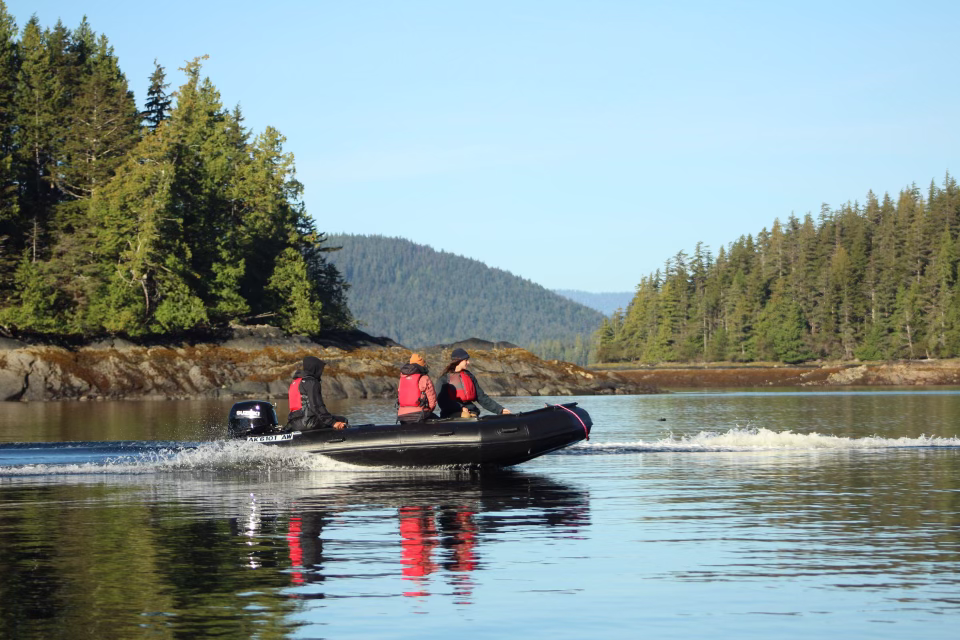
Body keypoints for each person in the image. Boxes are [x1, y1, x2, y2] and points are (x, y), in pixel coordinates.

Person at [436, 348, 512, 419]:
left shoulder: (469, 376)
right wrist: (460, 408)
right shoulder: (444, 379)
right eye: (466, 360)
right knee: (466, 416)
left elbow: (482, 398)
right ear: (459, 361)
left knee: (471, 416)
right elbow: (442, 401)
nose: (468, 362)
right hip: (451, 413)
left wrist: (500, 410)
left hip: (471, 412)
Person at [287, 356, 347, 430]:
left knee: (326, 419)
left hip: (293, 423)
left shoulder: (295, 381)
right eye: (320, 369)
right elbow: (317, 406)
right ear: (315, 368)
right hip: (307, 422)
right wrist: (333, 422)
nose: (321, 372)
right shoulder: (312, 382)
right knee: (342, 420)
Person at [397, 353, 438, 423]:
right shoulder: (424, 378)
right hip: (419, 414)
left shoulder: (402, 378)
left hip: (402, 415)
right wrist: (429, 410)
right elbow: (432, 401)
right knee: (438, 420)